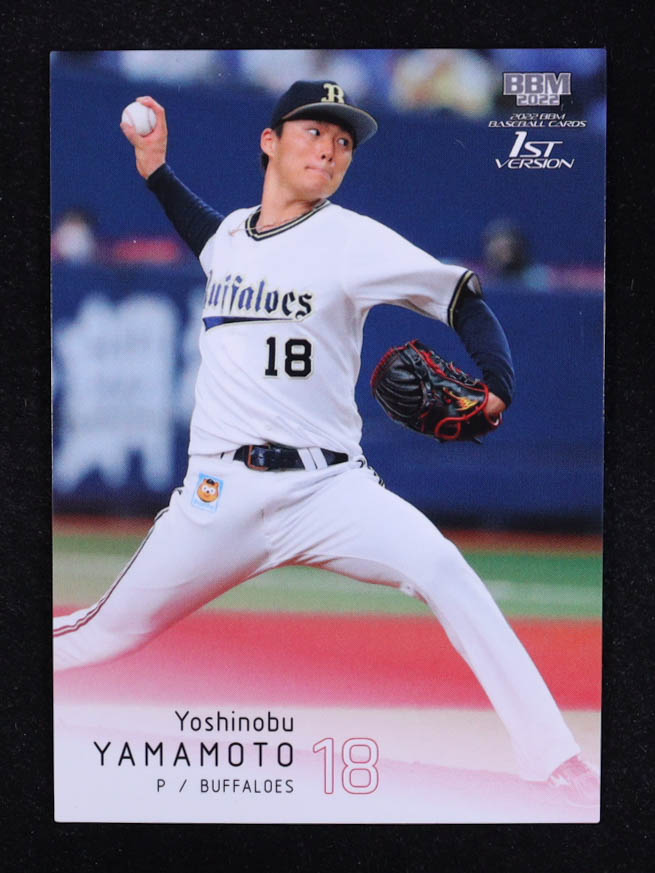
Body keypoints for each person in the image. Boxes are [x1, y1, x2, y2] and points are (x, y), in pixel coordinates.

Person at [53, 80, 598, 807]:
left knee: (444, 568)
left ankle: (555, 762)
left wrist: (497, 381)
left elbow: (461, 297)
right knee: (104, 634)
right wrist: (155, 171)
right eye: (314, 132)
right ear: (270, 142)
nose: (331, 150)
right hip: (219, 497)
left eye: (343, 142)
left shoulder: (353, 239)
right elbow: (208, 236)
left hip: (330, 490)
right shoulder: (231, 238)